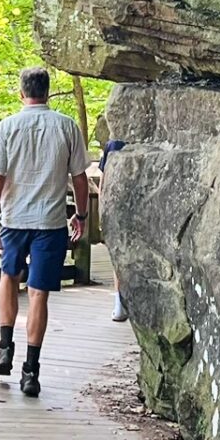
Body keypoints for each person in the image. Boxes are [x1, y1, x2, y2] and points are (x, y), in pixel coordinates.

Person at [0, 65, 90, 397]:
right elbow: (80, 179)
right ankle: (31, 371)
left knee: (8, 277)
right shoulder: (67, 126)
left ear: (21, 93)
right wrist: (81, 216)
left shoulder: (7, 128)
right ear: (47, 91)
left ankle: (4, 348)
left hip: (14, 219)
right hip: (50, 222)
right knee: (38, 294)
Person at [97, 138, 126, 321]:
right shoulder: (113, 145)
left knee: (119, 257)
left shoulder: (113, 144)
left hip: (118, 206)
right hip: (120, 205)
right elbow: (102, 181)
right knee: (119, 257)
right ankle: (120, 303)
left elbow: (102, 182)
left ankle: (120, 303)